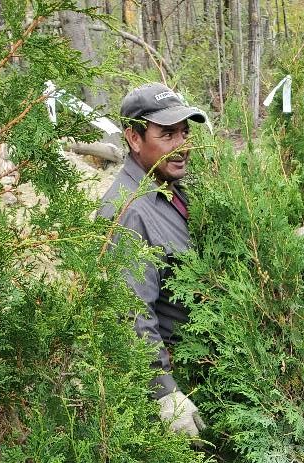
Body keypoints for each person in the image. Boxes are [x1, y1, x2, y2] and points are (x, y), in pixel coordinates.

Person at [99, 83, 209, 438]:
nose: (182, 146)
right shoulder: (129, 212)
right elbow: (129, 311)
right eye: (167, 134)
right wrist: (165, 392)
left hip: (204, 366)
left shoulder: (169, 188)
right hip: (177, 383)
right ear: (134, 138)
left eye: (184, 133)